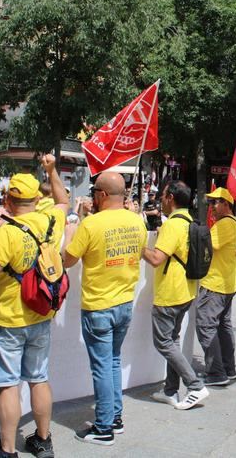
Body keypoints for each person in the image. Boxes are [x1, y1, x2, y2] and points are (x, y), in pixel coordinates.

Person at [0, 156, 68, 458]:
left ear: (9, 200)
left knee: (8, 385)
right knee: (39, 378)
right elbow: (63, 201)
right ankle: (43, 439)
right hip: (41, 312)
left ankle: (8, 450)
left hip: (9, 318)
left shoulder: (6, 233)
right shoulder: (51, 220)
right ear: (37, 199)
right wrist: (51, 171)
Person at [63, 172, 148, 446]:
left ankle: (103, 427)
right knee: (112, 361)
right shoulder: (137, 221)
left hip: (99, 305)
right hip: (124, 303)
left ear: (101, 195)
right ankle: (115, 417)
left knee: (102, 366)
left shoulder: (91, 225)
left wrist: (71, 228)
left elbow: (67, 260)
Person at [141, 180, 209, 410]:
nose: (160, 198)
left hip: (170, 292)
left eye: (162, 195)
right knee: (173, 340)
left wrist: (139, 245)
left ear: (170, 197)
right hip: (187, 290)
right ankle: (171, 390)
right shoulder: (189, 220)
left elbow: (156, 259)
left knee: (163, 343)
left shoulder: (172, 225)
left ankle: (195, 385)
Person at [196, 187, 236, 385]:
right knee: (223, 327)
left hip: (215, 284)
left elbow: (206, 244)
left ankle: (216, 373)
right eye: (210, 203)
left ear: (227, 204)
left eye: (215, 202)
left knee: (206, 325)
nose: (212, 207)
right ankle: (228, 367)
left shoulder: (225, 224)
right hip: (228, 283)